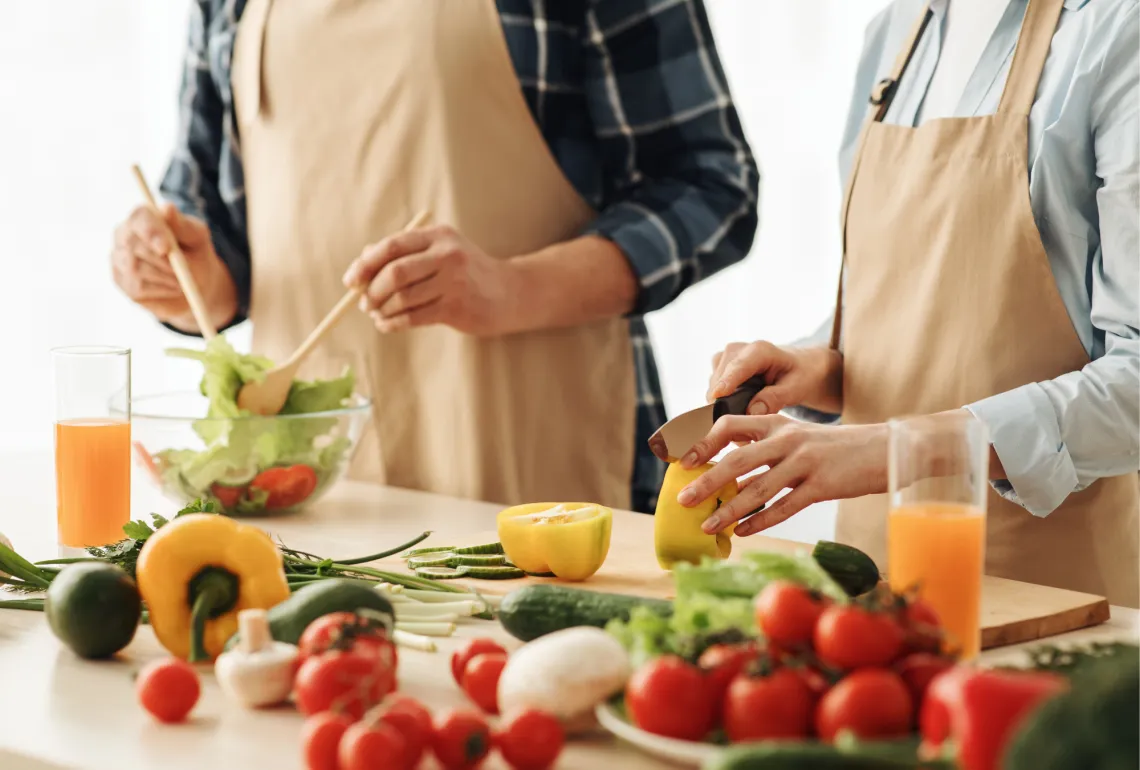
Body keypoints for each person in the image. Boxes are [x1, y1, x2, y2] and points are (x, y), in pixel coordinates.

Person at [111, 1, 758, 514]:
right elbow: (215, 244)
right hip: (306, 491)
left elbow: (713, 185)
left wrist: (514, 287)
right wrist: (182, 276)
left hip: (536, 467)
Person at [675, 0, 1139, 607]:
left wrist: (890, 449)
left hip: (1045, 593)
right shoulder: (896, 33)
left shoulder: (1115, 30)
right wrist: (823, 366)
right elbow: (936, 316)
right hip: (869, 589)